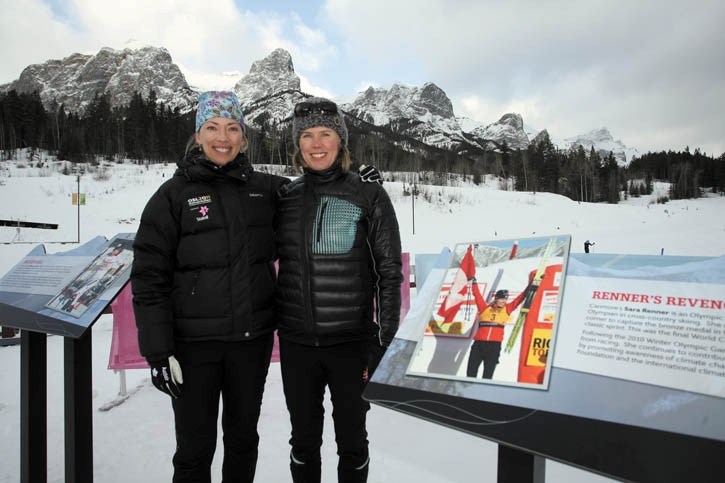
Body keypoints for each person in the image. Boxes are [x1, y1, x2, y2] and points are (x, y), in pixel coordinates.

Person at [130, 91, 289, 483]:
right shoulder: (172, 196)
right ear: (198, 135)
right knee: (194, 449)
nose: (224, 137)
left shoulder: (266, 189)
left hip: (250, 343)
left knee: (242, 441)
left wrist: (355, 180)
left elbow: (318, 191)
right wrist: (158, 350)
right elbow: (149, 275)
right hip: (193, 347)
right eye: (213, 128)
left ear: (245, 138)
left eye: (233, 128)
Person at [275, 97, 403, 483]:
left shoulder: (369, 195)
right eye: (308, 136)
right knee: (303, 442)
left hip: (351, 345)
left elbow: (389, 272)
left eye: (326, 134)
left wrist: (384, 339)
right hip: (297, 346)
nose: (317, 144)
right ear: (298, 145)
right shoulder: (285, 198)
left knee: (352, 442)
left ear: (340, 141)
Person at [466, 282, 531, 379]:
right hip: (478, 345)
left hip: (494, 347)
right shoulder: (484, 308)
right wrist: (474, 282)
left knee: (488, 375)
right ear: (496, 298)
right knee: (471, 373)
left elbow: (521, 297)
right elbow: (477, 294)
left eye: (505, 299)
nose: (503, 301)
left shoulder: (508, 308)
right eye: (501, 298)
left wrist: (531, 285)